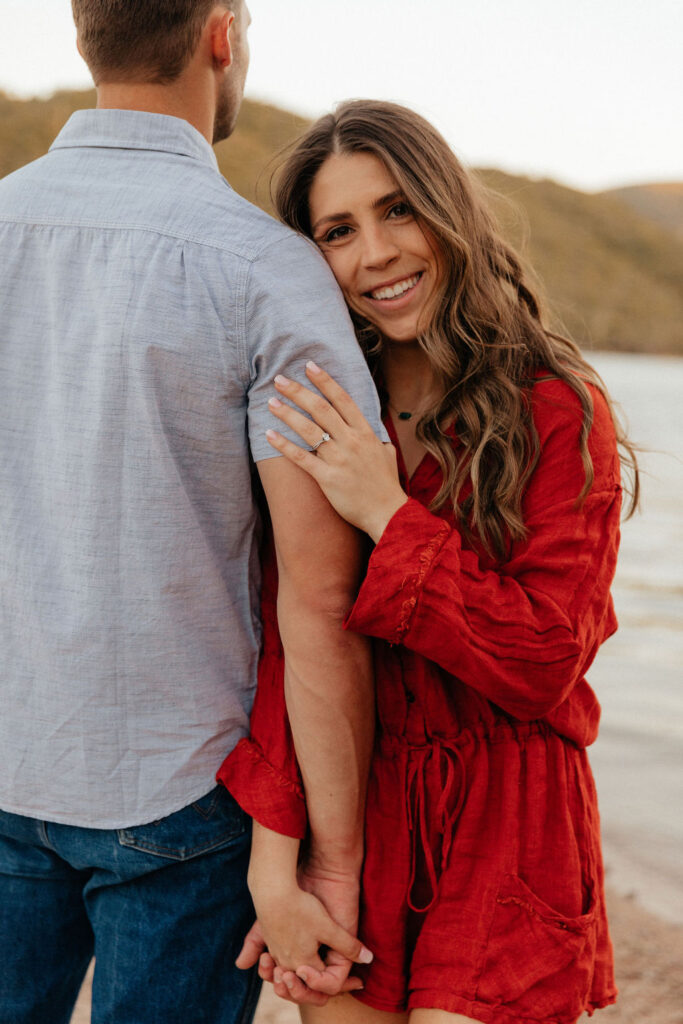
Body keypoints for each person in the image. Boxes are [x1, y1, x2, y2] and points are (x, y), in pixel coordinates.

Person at [0, 5, 387, 1021]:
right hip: (182, 788)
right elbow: (320, 593)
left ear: (87, 40)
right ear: (221, 35)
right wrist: (329, 862)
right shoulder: (266, 271)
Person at [219, 99, 640, 1024]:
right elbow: (295, 646)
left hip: (510, 821)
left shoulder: (556, 410)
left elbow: (541, 660)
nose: (374, 253)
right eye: (338, 231)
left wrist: (386, 511)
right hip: (361, 814)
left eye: (397, 209)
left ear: (447, 210)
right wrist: (275, 867)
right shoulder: (328, 413)